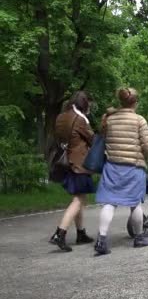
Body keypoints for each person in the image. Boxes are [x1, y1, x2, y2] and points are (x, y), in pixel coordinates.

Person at [94, 87, 148, 255]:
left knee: (109, 202)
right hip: (133, 167)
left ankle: (101, 240)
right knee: (134, 203)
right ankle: (139, 237)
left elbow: (104, 139)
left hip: (112, 166)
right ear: (135, 102)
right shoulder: (139, 120)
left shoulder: (109, 119)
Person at [49, 91, 96, 252]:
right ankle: (59, 233)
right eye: (88, 103)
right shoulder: (80, 119)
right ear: (84, 103)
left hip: (66, 162)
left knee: (79, 197)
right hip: (79, 163)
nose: (90, 106)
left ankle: (81, 233)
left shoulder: (61, 117)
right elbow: (92, 139)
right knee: (79, 200)